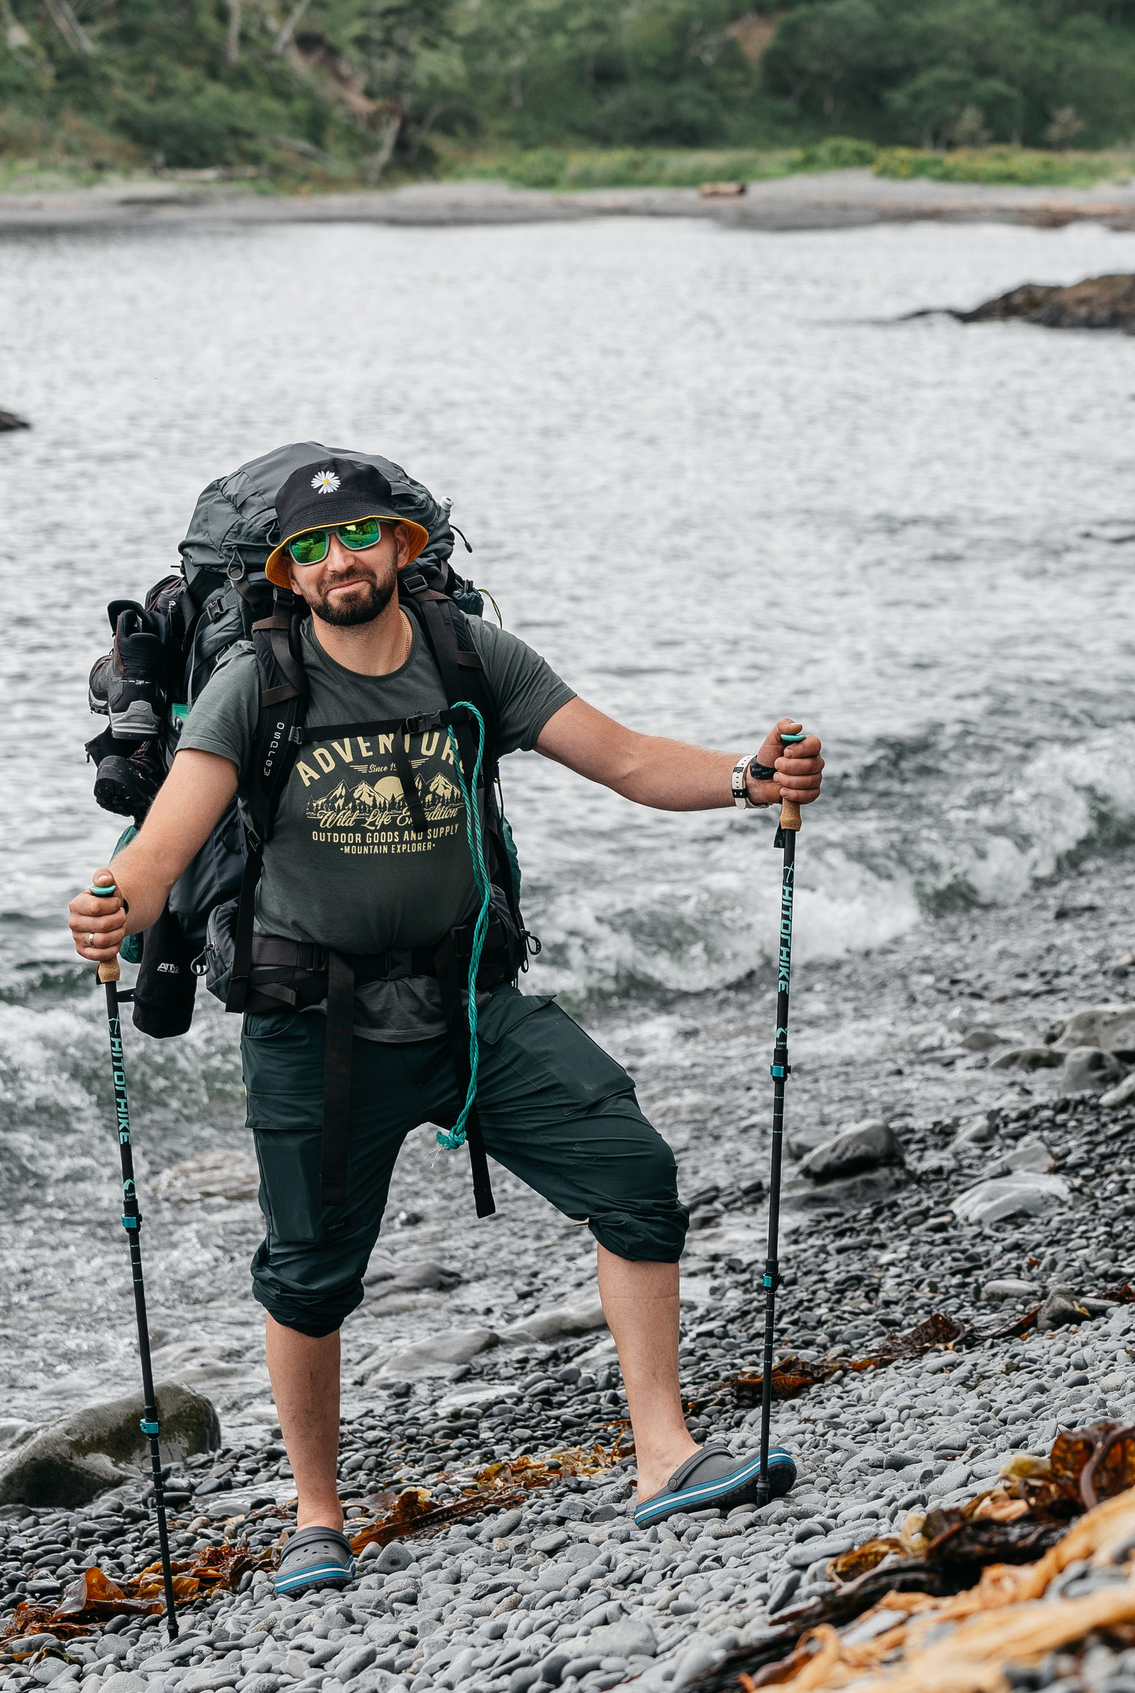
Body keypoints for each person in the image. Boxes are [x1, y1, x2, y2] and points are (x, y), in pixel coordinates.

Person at [66, 456, 824, 1598]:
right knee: (309, 1276)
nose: (339, 563)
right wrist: (108, 908)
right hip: (310, 1029)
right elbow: (165, 848)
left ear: (403, 549)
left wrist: (744, 779)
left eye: (360, 538)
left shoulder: (472, 658)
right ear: (287, 572)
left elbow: (620, 759)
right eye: (312, 550)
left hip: (474, 1006)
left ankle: (664, 1455)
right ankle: (317, 1517)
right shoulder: (254, 685)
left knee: (633, 1176)